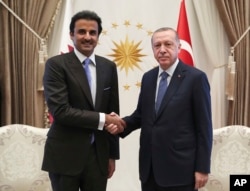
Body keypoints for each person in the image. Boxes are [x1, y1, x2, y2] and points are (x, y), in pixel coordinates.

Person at [107, 27, 213, 191]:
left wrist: (203, 168)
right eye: (157, 45)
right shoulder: (148, 78)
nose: (162, 50)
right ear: (153, 50)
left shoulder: (196, 78)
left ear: (179, 47)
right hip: (149, 170)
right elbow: (141, 116)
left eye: (168, 44)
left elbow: (204, 128)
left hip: (181, 171)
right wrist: (121, 124)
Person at [42, 10, 124, 191]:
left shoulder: (108, 67)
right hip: (65, 156)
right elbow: (61, 111)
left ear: (98, 36)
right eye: (81, 32)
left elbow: (113, 112)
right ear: (72, 34)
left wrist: (112, 155)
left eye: (92, 33)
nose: (87, 37)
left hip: (98, 157)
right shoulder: (56, 65)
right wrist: (104, 120)